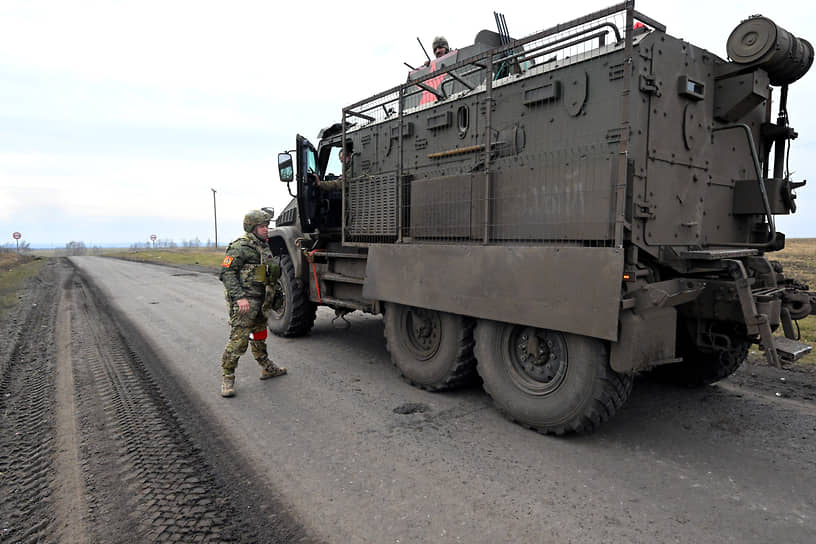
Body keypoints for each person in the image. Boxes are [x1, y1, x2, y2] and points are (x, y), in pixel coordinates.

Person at [218, 209, 286, 397]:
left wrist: (276, 297)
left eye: (267, 226)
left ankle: (266, 367)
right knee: (238, 341)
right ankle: (228, 377)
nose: (266, 229)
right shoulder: (240, 247)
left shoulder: (265, 246)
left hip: (262, 302)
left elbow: (270, 274)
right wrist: (239, 298)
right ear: (252, 227)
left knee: (259, 335)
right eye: (262, 226)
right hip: (245, 303)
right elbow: (227, 273)